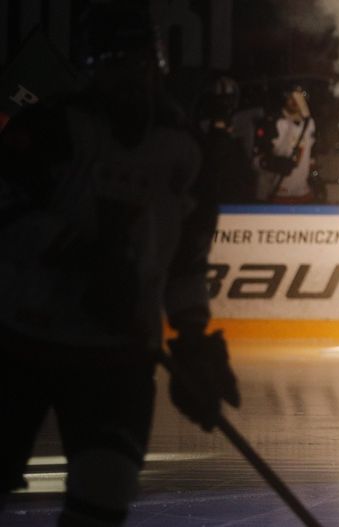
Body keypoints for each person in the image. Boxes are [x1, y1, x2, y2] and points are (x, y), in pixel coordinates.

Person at [0, 4, 239, 525]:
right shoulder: (48, 130)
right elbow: (11, 213)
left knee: (104, 491)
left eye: (139, 64)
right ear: (89, 71)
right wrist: (80, 257)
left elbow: (185, 262)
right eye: (114, 65)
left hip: (118, 355)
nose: (130, 79)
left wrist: (194, 338)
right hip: (22, 344)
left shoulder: (186, 151)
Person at [197, 75, 258, 203]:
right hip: (217, 186)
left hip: (237, 185)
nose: (224, 104)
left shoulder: (245, 119)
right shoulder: (204, 126)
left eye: (227, 99)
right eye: (220, 100)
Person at [253, 85, 318, 203]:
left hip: (303, 195)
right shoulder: (273, 123)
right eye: (290, 97)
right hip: (277, 194)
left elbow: (310, 156)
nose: (294, 101)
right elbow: (256, 161)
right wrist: (274, 163)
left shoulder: (309, 125)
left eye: (298, 98)